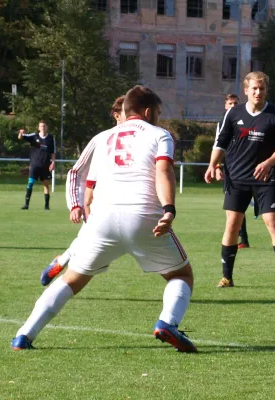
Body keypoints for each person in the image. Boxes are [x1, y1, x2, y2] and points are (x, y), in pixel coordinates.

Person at [12, 85, 197, 353]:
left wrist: (82, 204)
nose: (158, 117)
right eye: (157, 112)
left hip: (101, 219)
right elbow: (163, 171)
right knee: (181, 274)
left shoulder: (103, 137)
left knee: (72, 279)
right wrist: (169, 209)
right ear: (147, 112)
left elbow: (88, 178)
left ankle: (24, 335)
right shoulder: (160, 134)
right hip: (143, 217)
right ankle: (168, 323)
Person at [204, 71, 275, 290]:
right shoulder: (233, 114)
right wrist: (212, 165)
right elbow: (221, 142)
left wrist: (268, 163)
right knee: (232, 225)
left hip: (265, 179)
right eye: (254, 88)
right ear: (246, 90)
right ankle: (227, 277)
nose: (258, 92)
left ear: (266, 91)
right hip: (236, 178)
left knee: (272, 224)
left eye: (261, 89)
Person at [40, 96, 125, 286]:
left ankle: (61, 262)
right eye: (129, 111)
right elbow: (75, 172)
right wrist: (75, 205)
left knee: (87, 241)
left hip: (121, 206)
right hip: (96, 204)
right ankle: (63, 281)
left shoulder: (142, 138)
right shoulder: (102, 139)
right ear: (116, 115)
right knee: (90, 248)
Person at [217, 93, 254, 249]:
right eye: (230, 104)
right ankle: (242, 239)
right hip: (231, 169)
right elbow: (218, 146)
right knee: (234, 207)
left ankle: (242, 239)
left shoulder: (245, 120)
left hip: (247, 167)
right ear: (225, 106)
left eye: (235, 103)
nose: (233, 106)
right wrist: (217, 166)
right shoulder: (222, 123)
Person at [18, 121, 56, 210]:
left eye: (44, 126)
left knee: (46, 185)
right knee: (30, 183)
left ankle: (46, 206)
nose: (42, 127)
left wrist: (53, 162)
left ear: (46, 127)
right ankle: (26, 205)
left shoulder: (50, 138)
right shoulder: (34, 136)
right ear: (38, 128)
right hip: (34, 165)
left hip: (45, 165)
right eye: (41, 126)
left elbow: (53, 152)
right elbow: (21, 138)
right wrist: (20, 133)